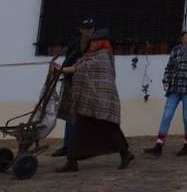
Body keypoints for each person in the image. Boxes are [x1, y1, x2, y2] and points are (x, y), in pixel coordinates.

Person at [53, 27, 134, 172]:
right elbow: (80, 65)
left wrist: (63, 70)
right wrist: (63, 68)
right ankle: (72, 161)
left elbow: (83, 68)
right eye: (91, 42)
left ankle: (125, 153)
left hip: (103, 101)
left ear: (101, 43)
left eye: (94, 42)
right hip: (89, 102)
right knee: (80, 130)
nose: (91, 44)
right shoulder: (91, 55)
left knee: (110, 129)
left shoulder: (103, 57)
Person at [146, 26, 187, 156]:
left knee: (186, 117)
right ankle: (159, 145)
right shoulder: (176, 50)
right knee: (167, 115)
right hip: (174, 89)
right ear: (182, 36)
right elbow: (169, 68)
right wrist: (166, 81)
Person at [51, 19, 93, 158]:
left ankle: (81, 147)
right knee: (71, 115)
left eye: (90, 28)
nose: (88, 31)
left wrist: (63, 70)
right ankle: (68, 146)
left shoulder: (94, 45)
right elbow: (70, 59)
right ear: (81, 29)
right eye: (86, 28)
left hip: (85, 83)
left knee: (82, 116)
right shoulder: (75, 42)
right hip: (71, 81)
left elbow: (85, 65)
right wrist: (62, 70)